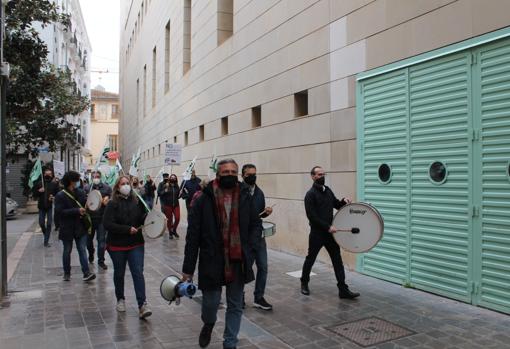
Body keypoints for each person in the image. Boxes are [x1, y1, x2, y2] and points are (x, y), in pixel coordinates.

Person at [182, 159, 258, 349]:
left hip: (237, 259)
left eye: (233, 171)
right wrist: (188, 270)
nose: (230, 175)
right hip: (212, 260)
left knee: (235, 304)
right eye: (225, 172)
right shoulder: (203, 199)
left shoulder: (245, 196)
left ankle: (230, 343)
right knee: (210, 303)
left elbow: (255, 225)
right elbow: (192, 237)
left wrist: (249, 247)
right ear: (218, 175)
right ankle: (208, 324)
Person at [300, 166, 360, 299]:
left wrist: (343, 201)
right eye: (319, 174)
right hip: (317, 234)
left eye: (323, 174)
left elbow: (336, 204)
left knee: (337, 260)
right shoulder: (310, 195)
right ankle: (304, 283)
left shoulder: (327, 190)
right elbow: (312, 217)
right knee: (311, 258)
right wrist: (327, 226)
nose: (322, 176)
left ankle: (343, 290)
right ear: (313, 176)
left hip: (330, 234)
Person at [102, 175, 152, 319]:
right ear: (117, 187)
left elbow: (143, 217)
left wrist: (152, 218)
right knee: (119, 273)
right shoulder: (112, 204)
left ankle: (142, 304)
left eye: (127, 183)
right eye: (122, 184)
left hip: (136, 243)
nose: (126, 186)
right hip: (117, 245)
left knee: (137, 272)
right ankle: (120, 299)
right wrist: (127, 229)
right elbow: (107, 224)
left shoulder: (137, 201)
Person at [54, 171, 96, 282]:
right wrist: (77, 210)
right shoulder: (60, 195)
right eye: (76, 180)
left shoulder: (81, 192)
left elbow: (84, 205)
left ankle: (86, 273)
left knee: (82, 249)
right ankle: (67, 273)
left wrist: (89, 204)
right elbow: (60, 212)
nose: (78, 182)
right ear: (71, 181)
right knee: (67, 250)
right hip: (67, 227)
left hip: (80, 226)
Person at [242, 164, 273, 311]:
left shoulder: (259, 192)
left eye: (255, 174)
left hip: (259, 236)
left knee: (263, 267)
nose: (253, 177)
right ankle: (239, 296)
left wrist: (266, 212)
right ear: (243, 176)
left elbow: (260, 214)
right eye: (250, 174)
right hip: (245, 237)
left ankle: (258, 298)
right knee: (243, 268)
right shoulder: (239, 191)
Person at [84, 171, 112, 269]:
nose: (96, 178)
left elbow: (111, 201)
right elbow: (82, 201)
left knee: (101, 241)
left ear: (101, 177)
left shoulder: (106, 188)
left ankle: (101, 260)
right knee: (88, 241)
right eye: (94, 176)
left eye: (98, 176)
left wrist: (107, 201)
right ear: (91, 177)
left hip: (101, 218)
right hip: (90, 219)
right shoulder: (87, 188)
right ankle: (91, 253)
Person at [32, 168, 60, 247]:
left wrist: (53, 197)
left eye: (50, 174)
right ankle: (46, 234)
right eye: (47, 174)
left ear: (51, 175)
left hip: (49, 207)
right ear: (44, 174)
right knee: (41, 223)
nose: (48, 175)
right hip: (41, 207)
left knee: (49, 224)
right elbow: (34, 194)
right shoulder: (39, 183)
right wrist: (39, 191)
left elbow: (58, 194)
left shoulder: (54, 184)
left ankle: (46, 241)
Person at [158, 173, 180, 239]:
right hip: (167, 205)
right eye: (172, 177)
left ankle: (174, 230)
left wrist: (181, 194)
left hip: (176, 205)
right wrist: (165, 190)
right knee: (169, 220)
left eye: (174, 177)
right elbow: (159, 193)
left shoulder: (177, 186)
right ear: (170, 178)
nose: (173, 178)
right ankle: (170, 232)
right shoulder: (166, 185)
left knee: (177, 218)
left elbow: (178, 196)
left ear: (176, 179)